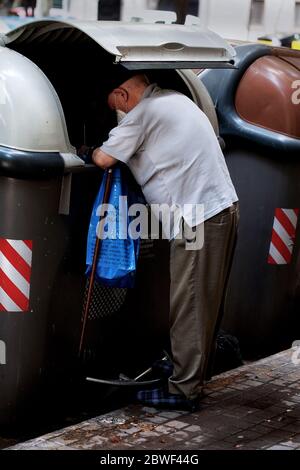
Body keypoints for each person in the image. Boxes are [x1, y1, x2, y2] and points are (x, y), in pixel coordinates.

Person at [91, 70, 239, 411]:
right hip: (222, 207)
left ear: (123, 94)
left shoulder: (144, 113)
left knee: (189, 303)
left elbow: (103, 158)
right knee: (205, 301)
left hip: (197, 219)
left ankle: (183, 390)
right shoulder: (175, 99)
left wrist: (91, 146)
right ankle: (191, 372)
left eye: (115, 105)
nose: (118, 112)